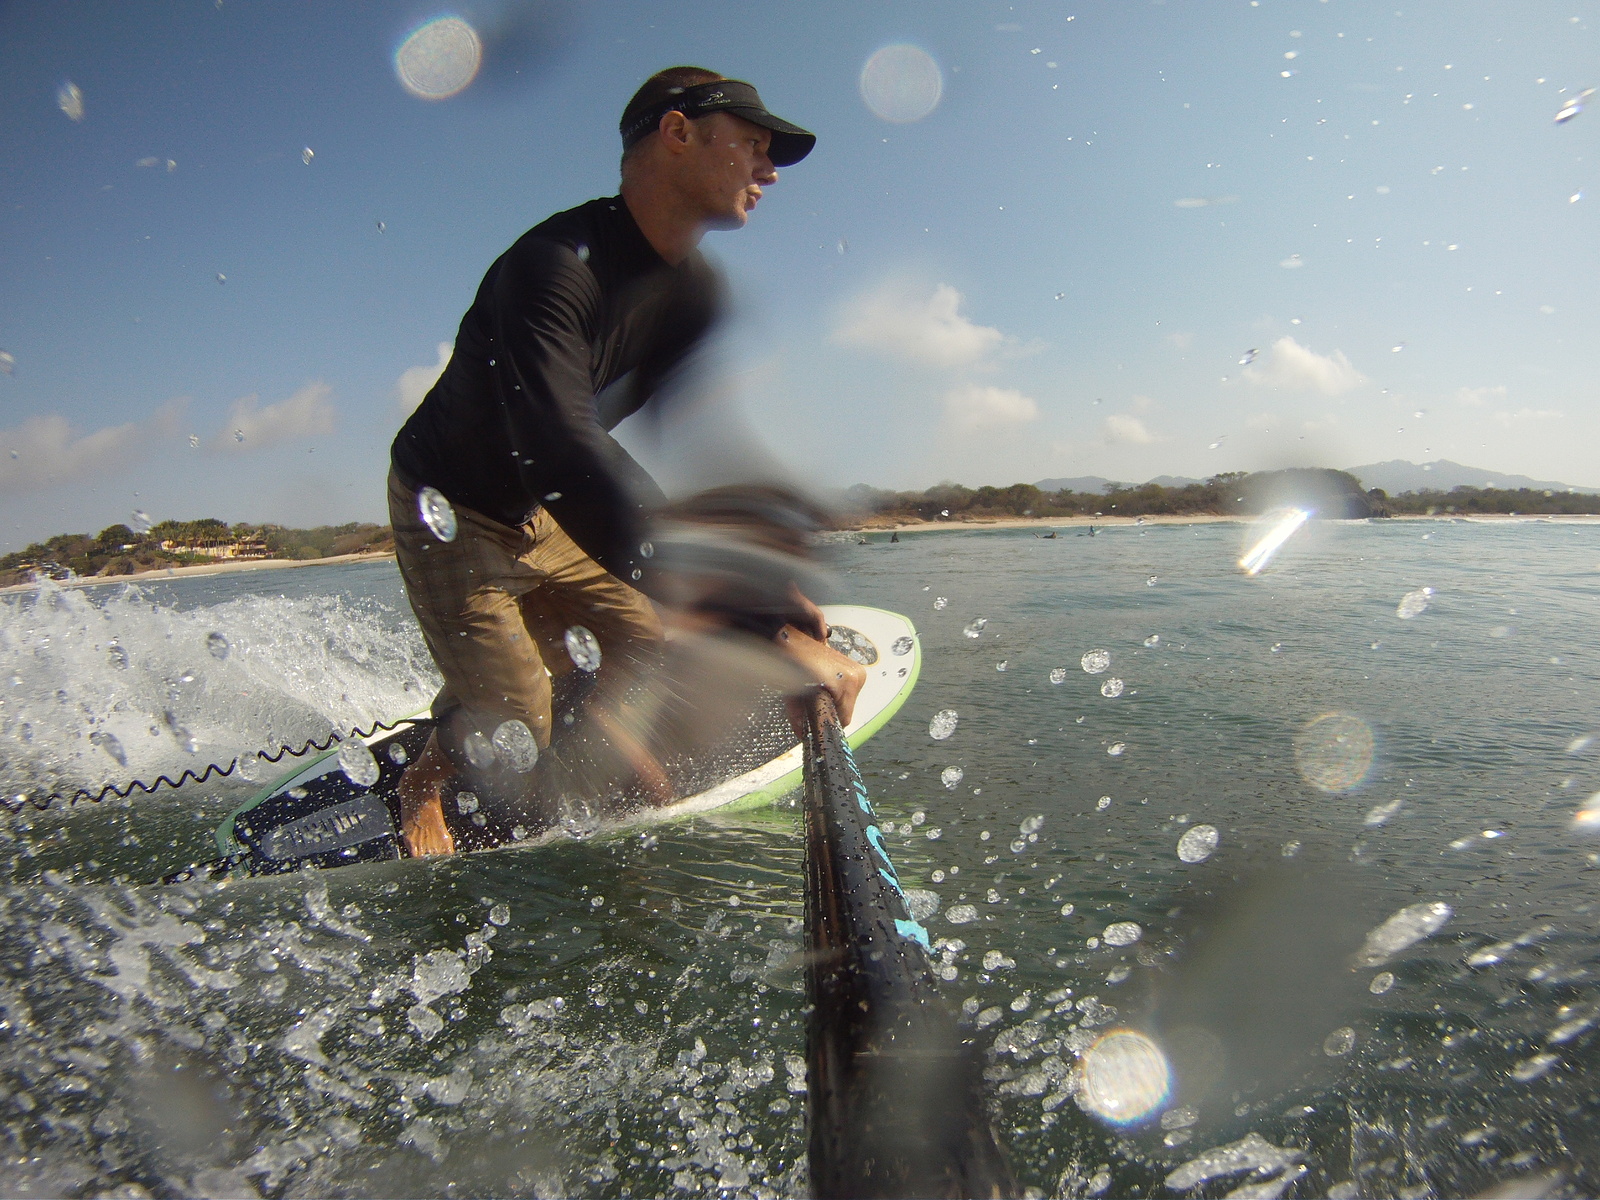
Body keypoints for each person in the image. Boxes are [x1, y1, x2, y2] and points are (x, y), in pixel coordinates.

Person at [388, 67, 864, 856]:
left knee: (648, 634)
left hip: (547, 506)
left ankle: (598, 724)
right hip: (453, 506)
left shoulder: (693, 295)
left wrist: (764, 583)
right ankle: (422, 778)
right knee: (516, 714)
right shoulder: (552, 268)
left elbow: (688, 449)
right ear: (677, 133)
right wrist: (762, 632)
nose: (770, 170)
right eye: (752, 144)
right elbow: (559, 446)